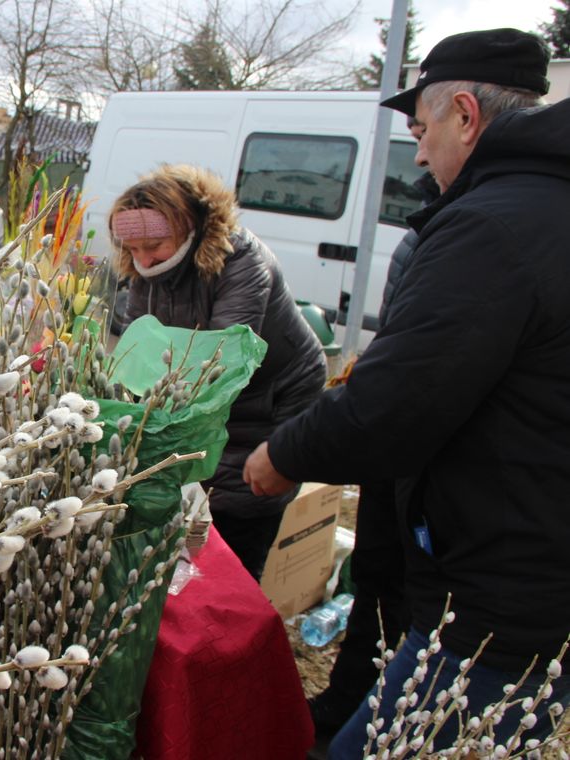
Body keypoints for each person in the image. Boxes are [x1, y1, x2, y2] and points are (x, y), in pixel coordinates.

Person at [243, 28, 570, 756]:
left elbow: (397, 400)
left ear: (465, 113)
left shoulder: (494, 225)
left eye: (421, 131)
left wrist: (284, 454)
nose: (417, 154)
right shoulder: (546, 208)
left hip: (501, 585)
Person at [111, 164, 326, 580]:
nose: (142, 260)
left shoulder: (242, 261)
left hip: (268, 401)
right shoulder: (146, 270)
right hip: (206, 406)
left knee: (241, 515)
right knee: (192, 519)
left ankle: (238, 608)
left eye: (153, 245)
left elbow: (222, 364)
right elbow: (138, 346)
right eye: (132, 249)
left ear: (188, 228)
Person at [307, 171, 438, 741]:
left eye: (424, 126)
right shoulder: (434, 220)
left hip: (434, 456)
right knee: (376, 578)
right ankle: (345, 704)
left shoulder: (477, 226)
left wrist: (299, 447)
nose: (420, 150)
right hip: (398, 452)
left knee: (411, 597)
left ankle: (378, 720)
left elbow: (427, 361)